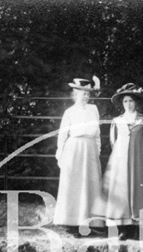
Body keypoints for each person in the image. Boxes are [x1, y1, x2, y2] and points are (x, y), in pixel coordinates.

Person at [99, 83, 143, 237]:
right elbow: (113, 142)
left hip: (139, 160)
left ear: (136, 102)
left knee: (140, 190)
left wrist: (139, 152)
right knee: (121, 190)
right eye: (125, 101)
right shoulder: (117, 121)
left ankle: (140, 228)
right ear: (122, 104)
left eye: (131, 101)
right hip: (120, 161)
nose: (128, 104)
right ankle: (123, 228)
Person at [53, 77, 103, 229]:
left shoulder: (94, 109)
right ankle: (71, 223)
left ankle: (91, 222)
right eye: (82, 93)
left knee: (91, 184)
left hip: (90, 150)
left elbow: (98, 133)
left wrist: (97, 150)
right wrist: (60, 154)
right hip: (74, 150)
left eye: (88, 94)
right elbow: (62, 134)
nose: (86, 96)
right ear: (75, 94)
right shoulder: (69, 112)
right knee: (73, 185)